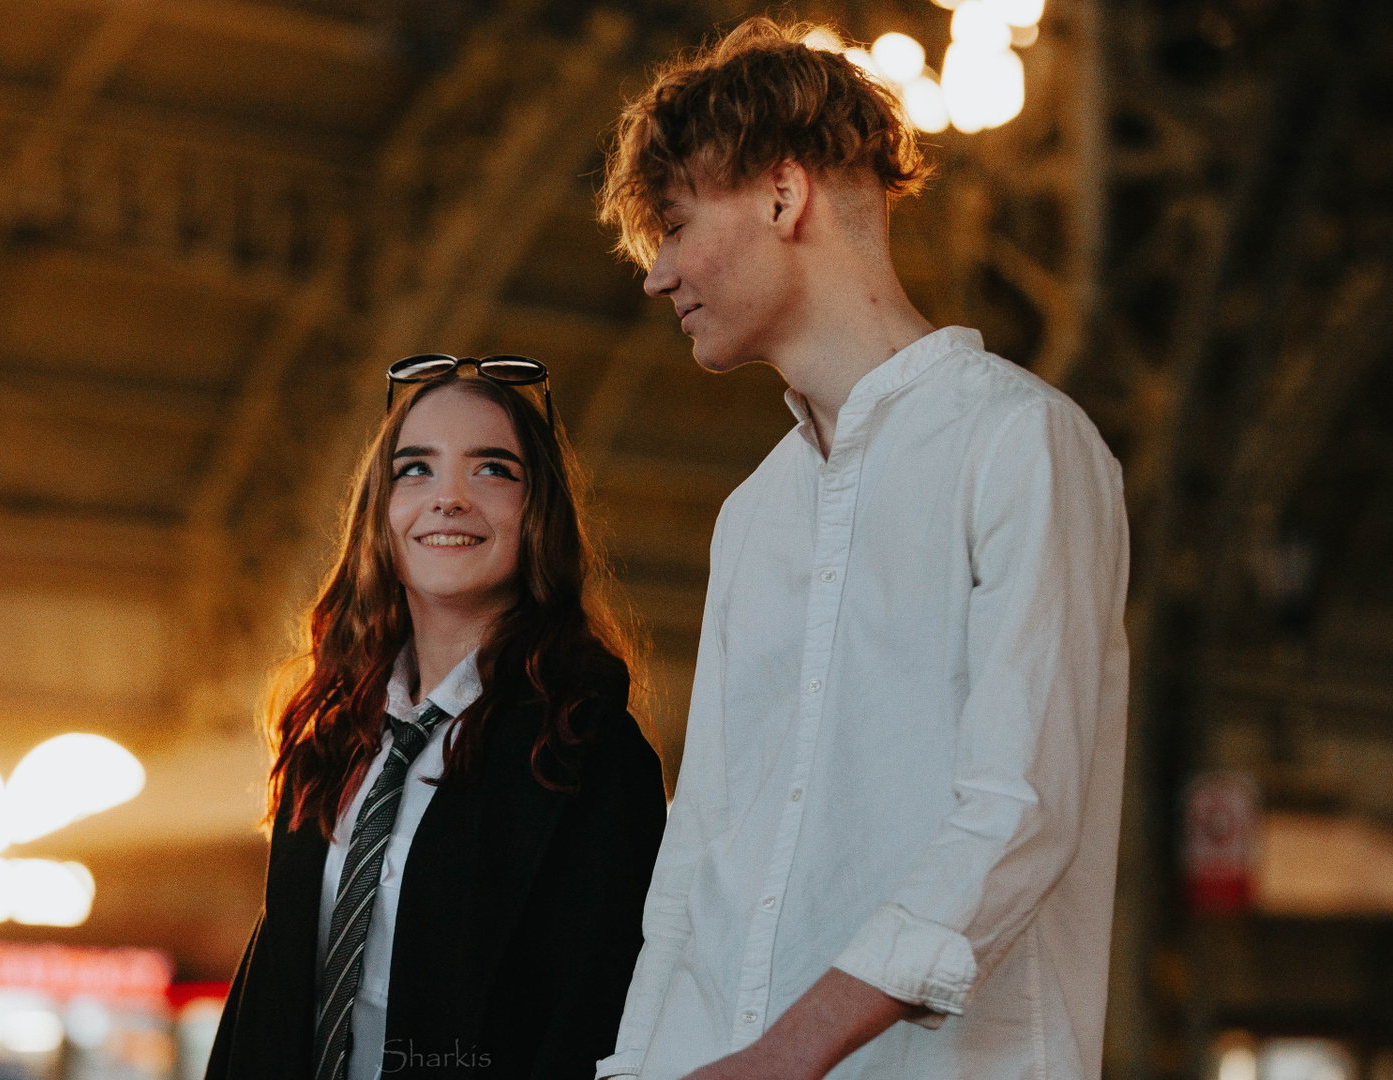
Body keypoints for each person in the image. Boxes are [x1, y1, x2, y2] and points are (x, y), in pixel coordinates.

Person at [590, 18, 1130, 1080]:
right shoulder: (753, 515)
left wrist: (785, 1055)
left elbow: (1020, 812)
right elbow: (698, 859)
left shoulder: (1021, 444)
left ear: (783, 195)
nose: (658, 276)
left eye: (676, 226)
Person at [204, 357, 667, 1080]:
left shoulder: (588, 750)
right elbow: (267, 991)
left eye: (493, 470)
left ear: (538, 514)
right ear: (379, 513)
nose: (448, 498)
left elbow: (598, 1013)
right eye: (415, 470)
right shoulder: (331, 740)